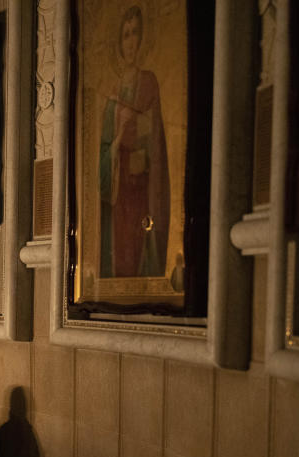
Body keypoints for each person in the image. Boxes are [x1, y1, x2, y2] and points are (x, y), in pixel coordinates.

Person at [98, 5, 170, 278]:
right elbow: (105, 151)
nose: (130, 41)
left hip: (141, 187)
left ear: (141, 40)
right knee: (119, 251)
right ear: (119, 41)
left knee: (138, 249)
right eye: (125, 35)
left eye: (134, 34)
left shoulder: (149, 82)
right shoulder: (112, 97)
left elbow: (156, 139)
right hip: (119, 192)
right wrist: (116, 143)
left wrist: (136, 122)